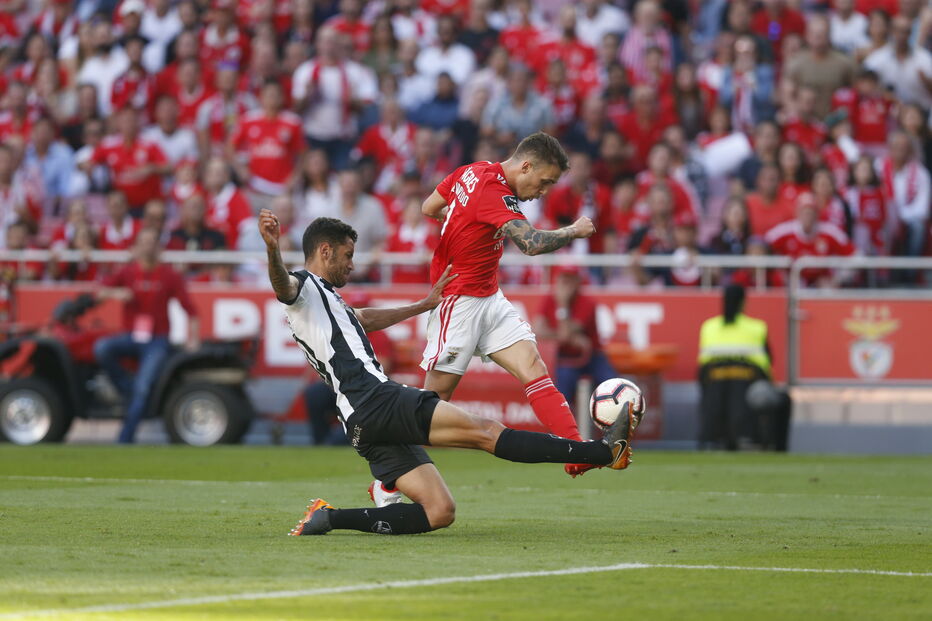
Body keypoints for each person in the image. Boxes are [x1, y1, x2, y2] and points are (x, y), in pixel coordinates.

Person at [258, 212, 642, 536]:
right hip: (377, 400)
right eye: (346, 255)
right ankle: (603, 452)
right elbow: (282, 285)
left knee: (439, 511)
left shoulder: (328, 301)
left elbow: (364, 319)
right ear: (324, 251)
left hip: (360, 423)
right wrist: (273, 248)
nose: (352, 264)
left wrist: (423, 305)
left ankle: (328, 518)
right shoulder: (303, 288)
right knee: (486, 433)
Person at [417, 131, 602, 483]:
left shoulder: (472, 170)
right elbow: (531, 243)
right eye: (544, 182)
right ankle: (386, 480)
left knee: (533, 366)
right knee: (429, 406)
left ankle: (577, 452)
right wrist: (573, 231)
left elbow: (429, 208)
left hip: (489, 296)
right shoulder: (494, 191)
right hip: (459, 302)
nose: (543, 192)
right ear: (526, 166)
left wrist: (461, 222)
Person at [94, 228, 200, 443]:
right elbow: (99, 291)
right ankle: (128, 389)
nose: (148, 246)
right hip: (132, 336)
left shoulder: (169, 275)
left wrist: (193, 339)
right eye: (144, 241)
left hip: (157, 339)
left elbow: (191, 310)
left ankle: (125, 437)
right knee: (102, 348)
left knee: (143, 387)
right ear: (137, 246)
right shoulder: (127, 272)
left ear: (158, 247)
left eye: (152, 241)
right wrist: (117, 293)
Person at [698, 284, 789, 451]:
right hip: (749, 395)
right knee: (784, 399)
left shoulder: (708, 327)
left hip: (715, 395)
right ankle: (775, 447)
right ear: (743, 303)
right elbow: (767, 364)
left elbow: (702, 369)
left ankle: (710, 437)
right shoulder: (757, 328)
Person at [535, 266, 618, 434]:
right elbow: (537, 330)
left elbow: (564, 333)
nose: (565, 284)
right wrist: (570, 338)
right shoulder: (549, 300)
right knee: (561, 391)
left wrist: (563, 305)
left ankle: (616, 433)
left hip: (592, 357)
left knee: (612, 387)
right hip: (566, 358)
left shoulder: (586, 303)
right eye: (562, 279)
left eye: (569, 279)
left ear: (577, 282)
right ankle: (565, 434)